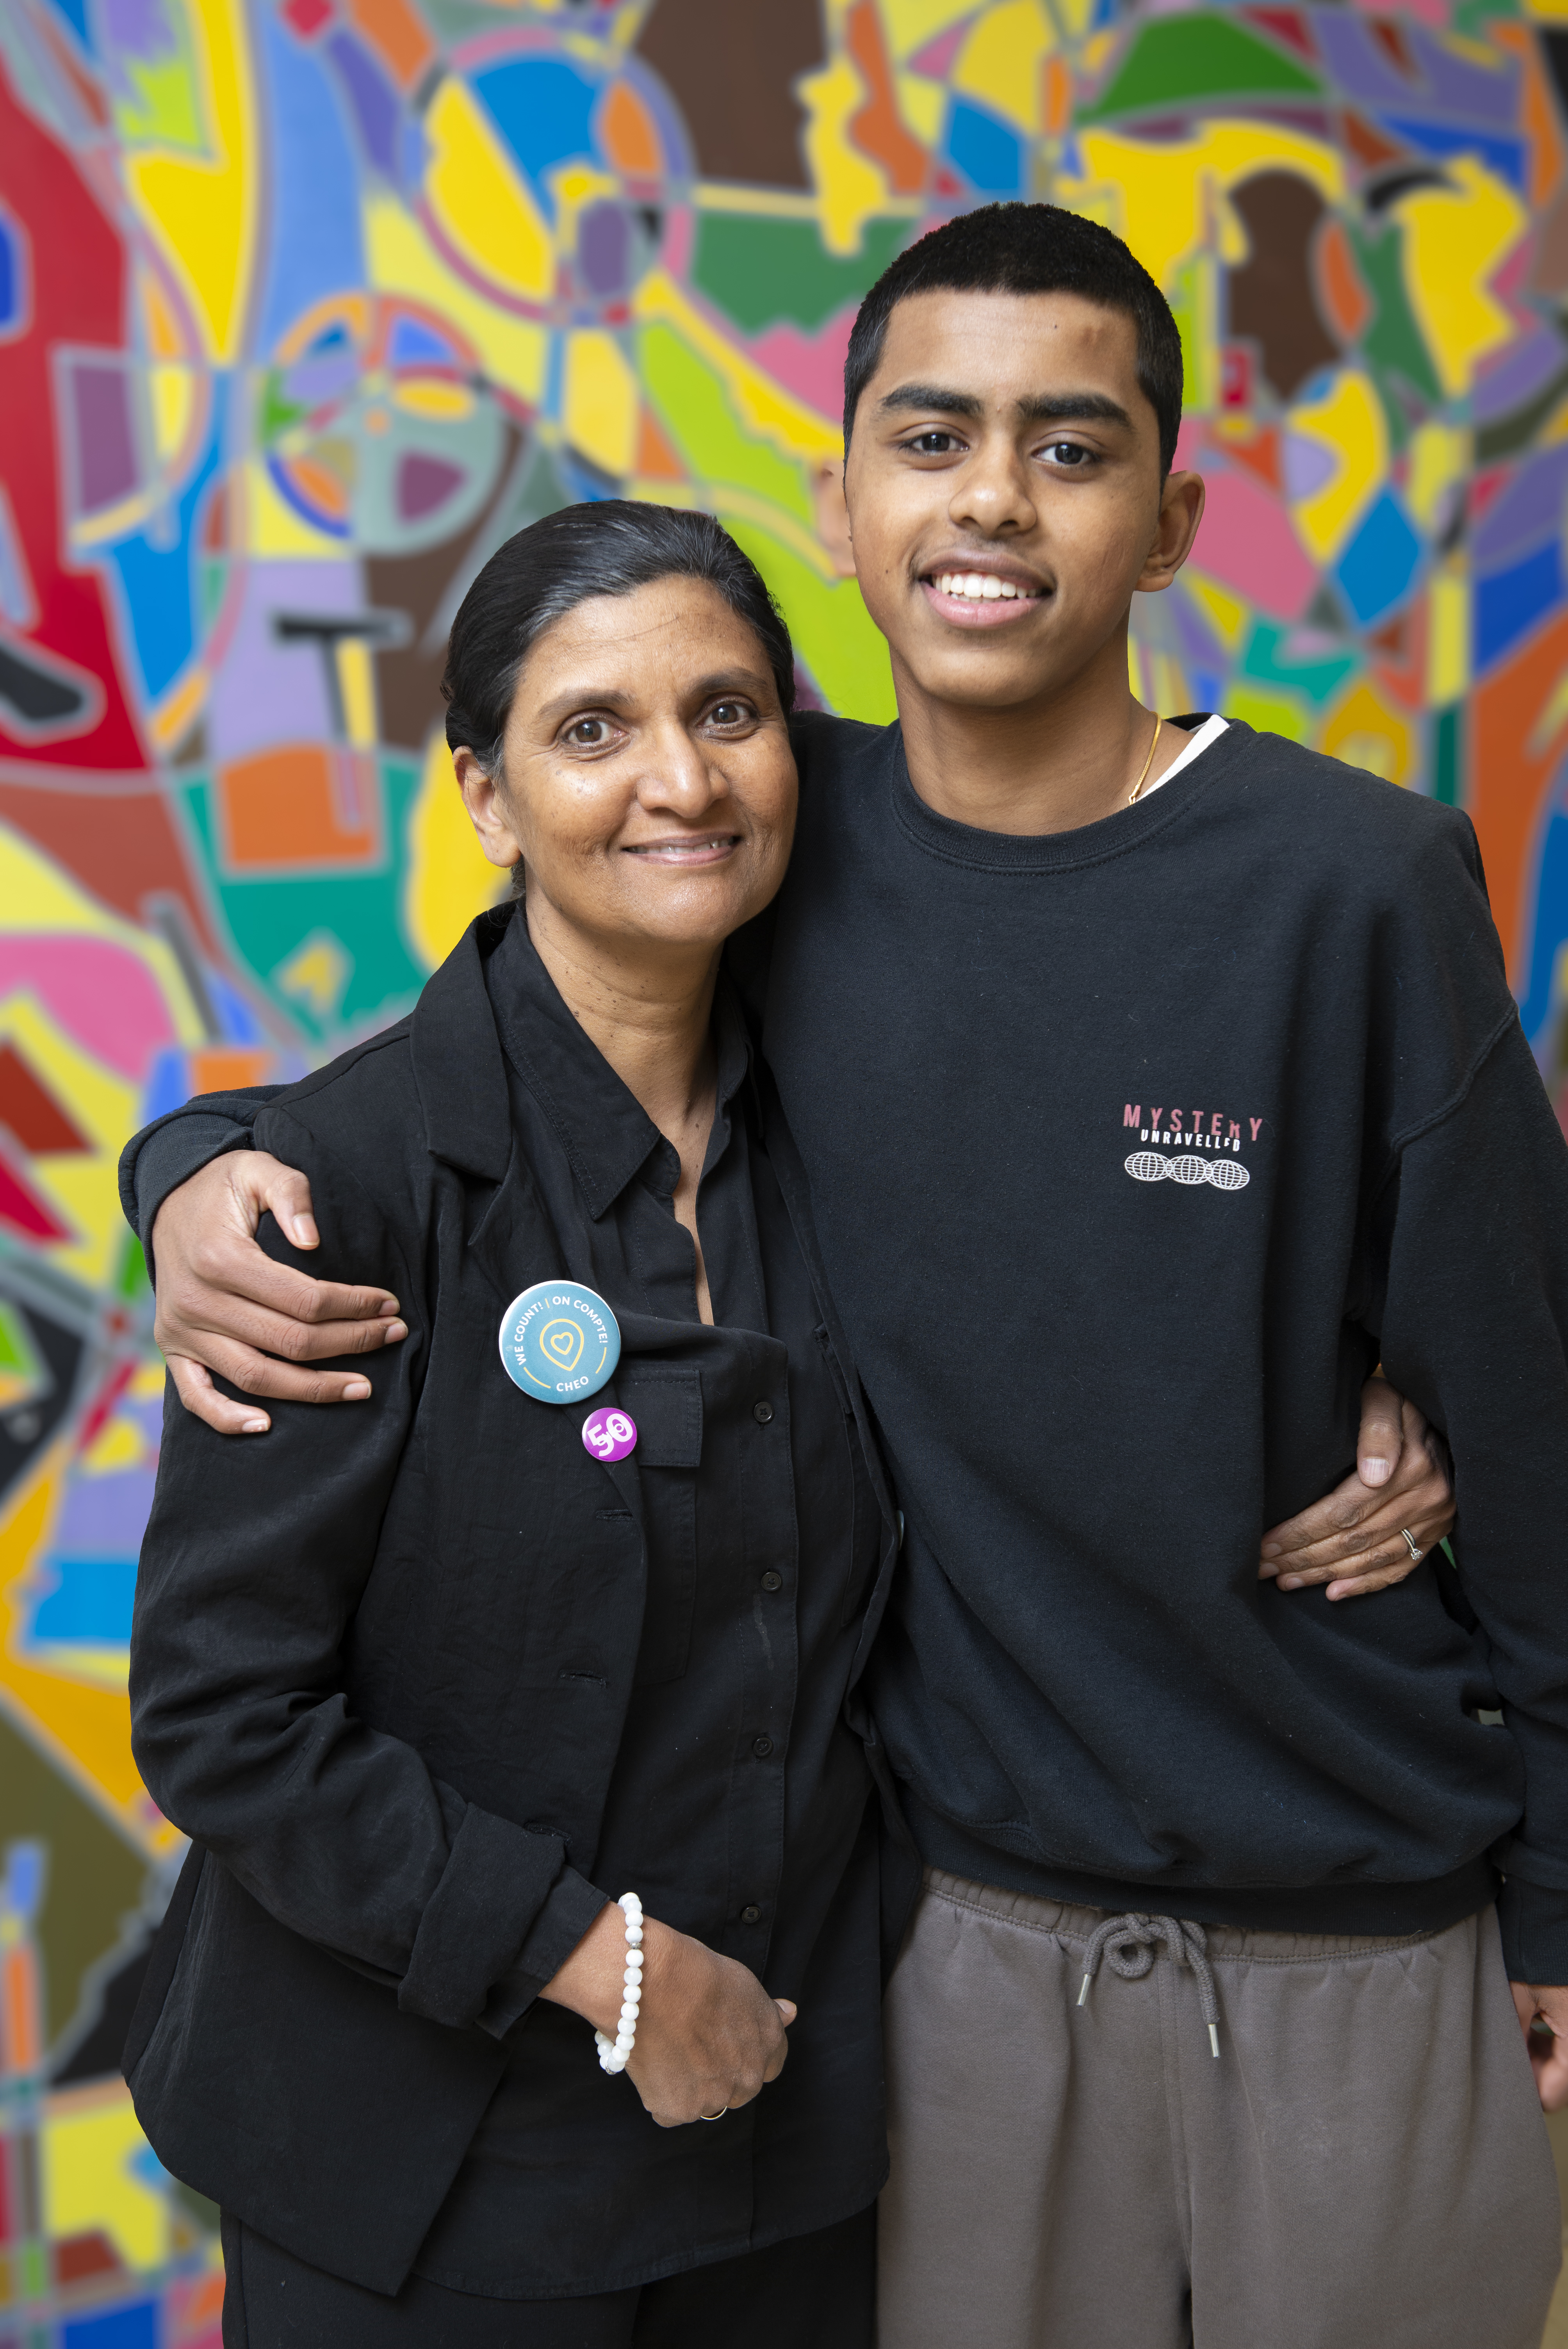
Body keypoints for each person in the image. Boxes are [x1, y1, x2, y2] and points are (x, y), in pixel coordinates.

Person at [120, 205, 1541, 2349]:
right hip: (852, 1981)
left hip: (1262, 1935)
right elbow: (468, 1066)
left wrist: (1365, 1403)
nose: (991, 496)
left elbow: (1517, 1393)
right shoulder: (733, 889)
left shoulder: (1315, 892)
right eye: (933, 435)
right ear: (847, 497)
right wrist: (193, 1169)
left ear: (1175, 515)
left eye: (1069, 447)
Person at [125, 503, 916, 2349]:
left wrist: (1362, 1381)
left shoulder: (861, 1145)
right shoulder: (335, 1189)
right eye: (591, 728)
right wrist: (616, 1972)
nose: (679, 780)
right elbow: (225, 1719)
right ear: (483, 794)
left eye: (729, 712)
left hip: (778, 2151)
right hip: (422, 2173)